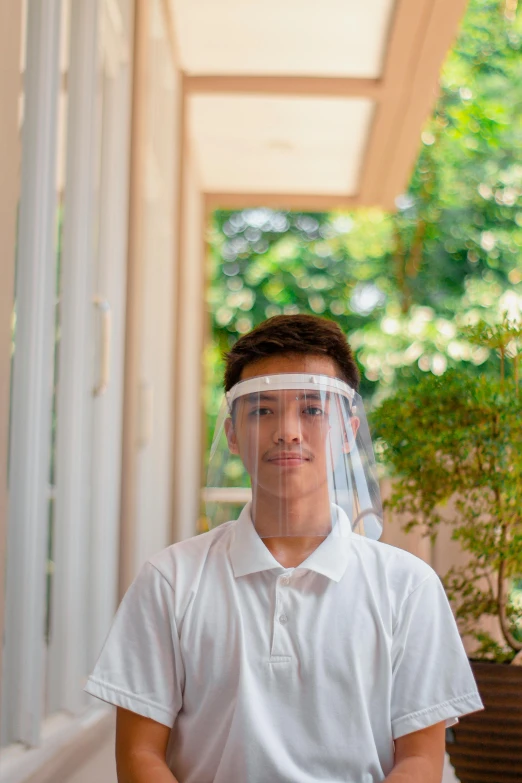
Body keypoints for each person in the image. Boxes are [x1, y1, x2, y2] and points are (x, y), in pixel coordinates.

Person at [85, 314, 483, 783]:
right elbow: (139, 757)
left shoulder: (408, 586)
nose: (288, 431)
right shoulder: (171, 580)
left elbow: (419, 760)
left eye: (312, 410)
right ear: (232, 433)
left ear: (348, 430)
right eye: (262, 410)